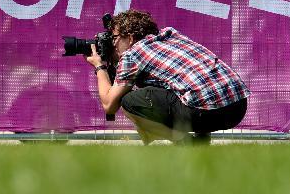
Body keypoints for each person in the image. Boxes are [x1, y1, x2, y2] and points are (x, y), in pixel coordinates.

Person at [84, 9, 248, 144]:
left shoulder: (133, 53)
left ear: (130, 38)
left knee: (130, 102)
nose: (112, 44)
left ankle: (186, 143)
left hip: (206, 113)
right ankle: (202, 141)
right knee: (183, 89)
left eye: (114, 38)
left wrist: (100, 66)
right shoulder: (171, 35)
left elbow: (109, 105)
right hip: (237, 108)